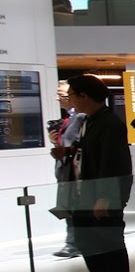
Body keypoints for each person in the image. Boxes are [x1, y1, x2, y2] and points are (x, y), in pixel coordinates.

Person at [63, 74, 133, 272]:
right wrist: (69, 152)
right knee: (87, 240)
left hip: (100, 197)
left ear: (84, 96)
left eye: (71, 95)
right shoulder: (90, 121)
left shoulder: (109, 124)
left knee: (108, 243)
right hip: (86, 195)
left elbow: (113, 163)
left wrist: (105, 197)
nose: (69, 99)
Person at [49, 85, 86, 257]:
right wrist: (55, 141)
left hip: (75, 171)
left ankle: (74, 244)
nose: (58, 99)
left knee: (75, 207)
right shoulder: (70, 118)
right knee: (70, 207)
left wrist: (65, 150)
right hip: (67, 170)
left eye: (61, 95)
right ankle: (72, 243)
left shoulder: (80, 117)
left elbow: (78, 143)